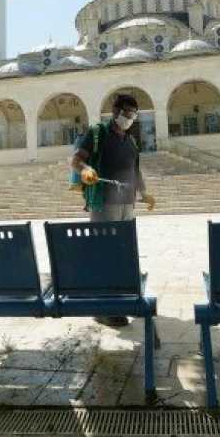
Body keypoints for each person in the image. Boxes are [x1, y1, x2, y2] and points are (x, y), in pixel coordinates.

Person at [71, 94, 156, 327]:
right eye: (127, 113)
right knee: (103, 254)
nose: (130, 118)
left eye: (134, 115)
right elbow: (76, 160)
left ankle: (120, 301)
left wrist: (144, 192)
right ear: (116, 112)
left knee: (122, 254)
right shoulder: (98, 133)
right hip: (105, 203)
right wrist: (86, 168)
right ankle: (102, 308)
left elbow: (135, 170)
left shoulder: (131, 141)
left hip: (127, 204)